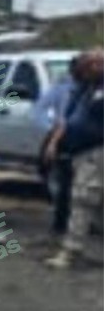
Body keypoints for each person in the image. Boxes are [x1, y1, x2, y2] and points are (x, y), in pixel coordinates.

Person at [45, 50, 104, 269]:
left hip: (97, 150)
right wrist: (54, 142)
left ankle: (71, 250)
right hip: (80, 151)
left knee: (83, 198)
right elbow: (68, 120)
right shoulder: (84, 90)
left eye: (96, 63)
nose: (90, 68)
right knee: (92, 202)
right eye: (87, 64)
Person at [37, 55, 85, 235]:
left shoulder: (92, 89)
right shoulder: (62, 87)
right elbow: (41, 109)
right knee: (65, 182)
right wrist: (51, 130)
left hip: (87, 139)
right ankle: (61, 224)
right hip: (64, 136)